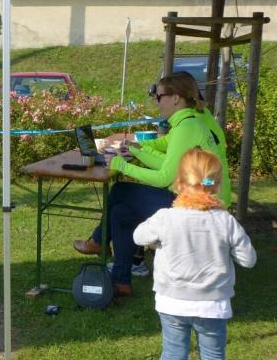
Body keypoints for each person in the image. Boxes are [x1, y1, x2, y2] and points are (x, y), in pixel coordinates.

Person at [133, 148, 256, 360]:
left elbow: (138, 236)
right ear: (216, 184)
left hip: (171, 302)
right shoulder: (224, 220)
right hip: (211, 305)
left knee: (173, 358)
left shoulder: (165, 218)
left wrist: (157, 244)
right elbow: (249, 259)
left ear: (179, 182)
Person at [73, 72, 229, 297]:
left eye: (160, 97)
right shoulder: (186, 123)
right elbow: (166, 162)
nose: (157, 102)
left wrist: (122, 165)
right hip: (199, 199)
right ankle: (121, 281)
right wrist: (135, 149)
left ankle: (98, 241)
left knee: (119, 190)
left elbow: (164, 177)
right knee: (120, 213)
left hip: (200, 204)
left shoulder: (186, 127)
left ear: (176, 98)